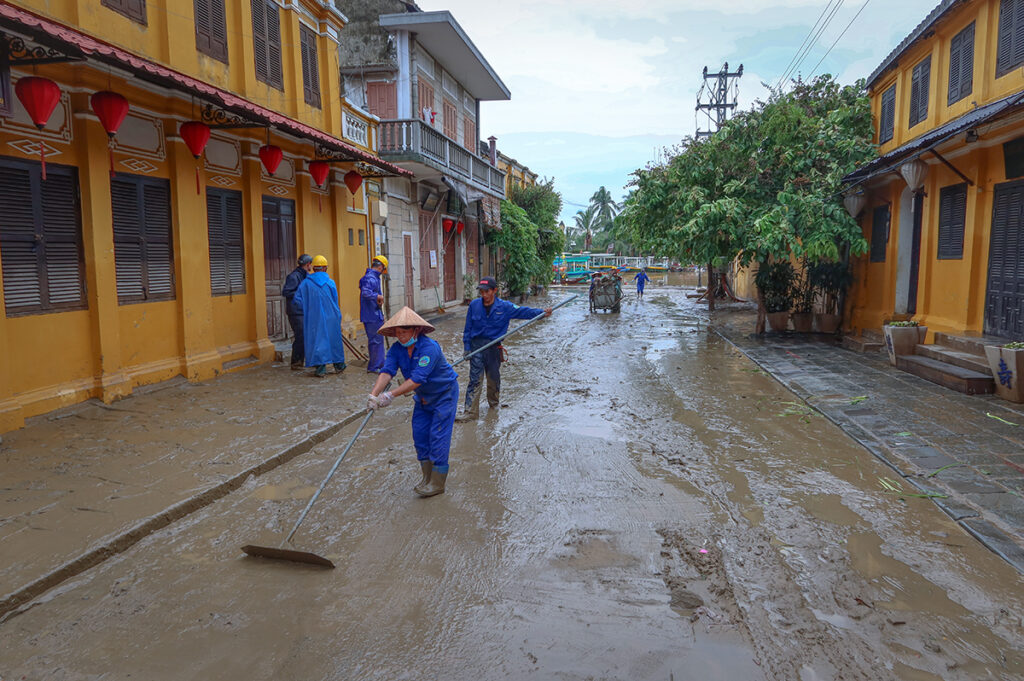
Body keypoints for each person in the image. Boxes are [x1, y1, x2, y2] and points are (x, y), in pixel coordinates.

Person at [367, 307, 459, 497]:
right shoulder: (395, 350)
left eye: (405, 332)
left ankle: (437, 482)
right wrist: (374, 394)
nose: (401, 337)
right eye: (398, 333)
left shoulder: (429, 348)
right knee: (419, 435)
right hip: (423, 398)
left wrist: (390, 395)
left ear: (416, 330)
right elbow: (387, 371)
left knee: (438, 436)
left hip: (444, 395)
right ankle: (427, 477)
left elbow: (417, 379)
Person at [456, 277, 552, 421]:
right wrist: (467, 347)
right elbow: (468, 328)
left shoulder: (505, 307)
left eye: (486, 291)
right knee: (475, 380)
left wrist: (541, 313)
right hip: (477, 347)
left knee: (493, 379)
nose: (484, 295)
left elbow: (523, 312)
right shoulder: (474, 305)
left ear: (495, 291)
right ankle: (470, 412)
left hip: (494, 347)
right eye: (481, 291)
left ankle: (493, 406)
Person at [292, 255, 346, 378]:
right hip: (332, 315)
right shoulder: (331, 282)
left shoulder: (305, 283)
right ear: (325, 268)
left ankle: (320, 368)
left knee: (317, 340)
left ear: (313, 268)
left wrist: (308, 308)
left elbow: (297, 300)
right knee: (334, 339)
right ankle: (339, 365)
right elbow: (335, 300)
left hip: (314, 317)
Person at [282, 254, 313, 370]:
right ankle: (296, 363)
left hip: (304, 311)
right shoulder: (293, 277)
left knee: (305, 336)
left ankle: (301, 361)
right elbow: (286, 292)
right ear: (307, 264)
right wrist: (301, 294)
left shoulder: (307, 276)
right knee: (301, 337)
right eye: (310, 264)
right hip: (295, 312)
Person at [359, 255, 388, 373]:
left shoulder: (374, 278)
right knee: (375, 341)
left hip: (375, 314)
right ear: (381, 267)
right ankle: (374, 366)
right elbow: (366, 293)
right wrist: (378, 296)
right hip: (371, 315)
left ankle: (380, 364)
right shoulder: (370, 278)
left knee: (378, 340)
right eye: (383, 269)